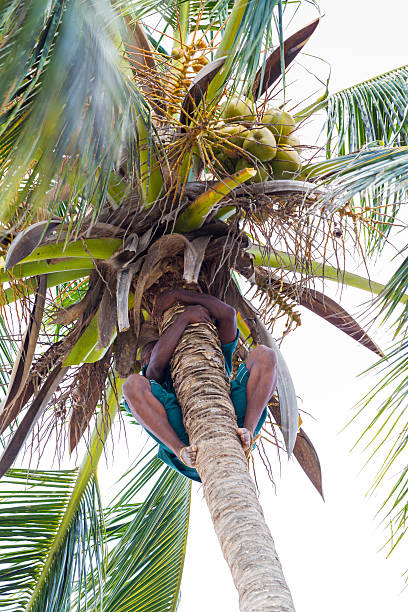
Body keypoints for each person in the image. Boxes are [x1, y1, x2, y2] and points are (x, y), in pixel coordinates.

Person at [123, 289, 278, 482]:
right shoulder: (156, 379)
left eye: (153, 349)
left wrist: (178, 295)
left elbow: (228, 314)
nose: (148, 357)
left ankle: (248, 430)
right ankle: (179, 451)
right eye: (149, 353)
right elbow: (155, 363)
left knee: (265, 354)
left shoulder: (216, 356)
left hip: (230, 416)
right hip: (183, 438)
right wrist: (184, 318)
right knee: (131, 385)